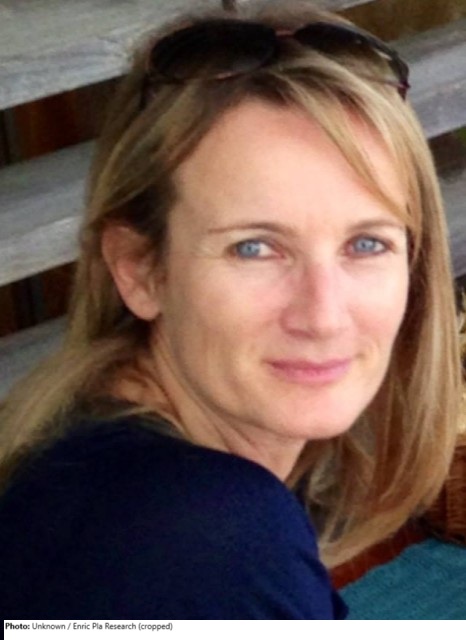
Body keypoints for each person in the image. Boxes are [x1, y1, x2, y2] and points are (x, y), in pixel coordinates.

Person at [0, 0, 461, 620]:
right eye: (254, 248)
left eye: (366, 244)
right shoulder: (202, 537)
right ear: (139, 269)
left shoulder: (93, 446)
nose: (323, 316)